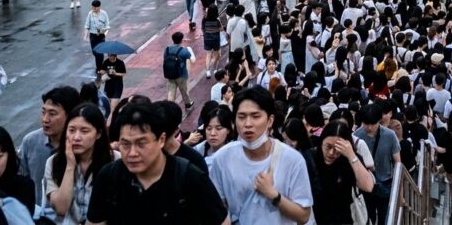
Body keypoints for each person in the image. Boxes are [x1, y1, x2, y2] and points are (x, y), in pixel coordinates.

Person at [86, 102, 228, 225]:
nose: (132, 153)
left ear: (161, 140)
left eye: (141, 143)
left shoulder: (189, 177)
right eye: (125, 144)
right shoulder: (109, 176)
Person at [209, 87, 313, 225]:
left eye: (256, 116)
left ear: (270, 120)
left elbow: (304, 215)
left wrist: (274, 195)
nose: (248, 124)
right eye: (241, 117)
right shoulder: (222, 158)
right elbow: (217, 207)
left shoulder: (293, 160)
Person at [43, 103, 114, 225]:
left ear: (98, 134)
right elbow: (61, 208)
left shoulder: (115, 161)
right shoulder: (54, 162)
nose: (76, 137)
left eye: (84, 131)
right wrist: (70, 166)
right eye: (71, 130)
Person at [19, 85, 80, 218]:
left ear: (71, 116)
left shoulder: (81, 146)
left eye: (52, 114)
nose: (45, 119)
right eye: (43, 112)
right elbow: (20, 179)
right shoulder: (30, 141)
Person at [308, 121, 375, 225]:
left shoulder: (350, 160)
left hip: (345, 218)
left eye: (337, 149)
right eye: (328, 147)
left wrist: (351, 155)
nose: (331, 153)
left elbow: (368, 186)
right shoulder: (311, 158)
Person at [353, 102, 401, 225]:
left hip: (385, 182)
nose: (369, 127)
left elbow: (397, 162)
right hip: (365, 184)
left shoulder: (390, 135)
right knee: (368, 216)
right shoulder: (356, 136)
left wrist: (398, 187)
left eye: (372, 124)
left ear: (379, 121)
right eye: (365, 124)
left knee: (385, 216)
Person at [163, 32, 195, 111]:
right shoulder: (183, 51)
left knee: (171, 91)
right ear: (181, 40)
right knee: (183, 90)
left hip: (170, 74)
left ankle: (170, 107)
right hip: (181, 74)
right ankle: (188, 104)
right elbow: (190, 58)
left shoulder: (167, 49)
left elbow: (164, 58)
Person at [83, 0, 110, 72]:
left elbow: (107, 26)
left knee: (100, 52)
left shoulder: (104, 14)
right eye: (93, 7)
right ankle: (100, 66)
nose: (94, 9)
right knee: (95, 52)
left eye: (95, 8)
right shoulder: (90, 13)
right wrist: (85, 36)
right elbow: (87, 26)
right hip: (93, 36)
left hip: (101, 36)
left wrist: (103, 32)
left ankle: (99, 68)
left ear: (99, 7)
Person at [201, 6, 223, 79]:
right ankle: (215, 69)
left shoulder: (204, 19)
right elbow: (221, 29)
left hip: (207, 38)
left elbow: (202, 28)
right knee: (216, 55)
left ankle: (208, 71)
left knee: (208, 54)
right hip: (216, 38)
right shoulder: (217, 20)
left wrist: (205, 33)